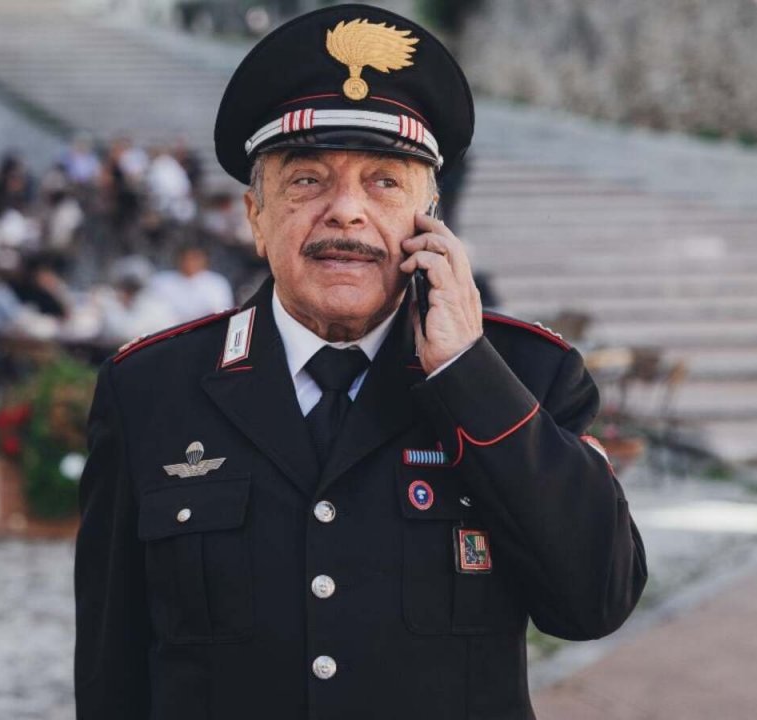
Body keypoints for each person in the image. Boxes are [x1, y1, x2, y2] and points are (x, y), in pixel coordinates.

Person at [73, 6, 647, 720]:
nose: (346, 212)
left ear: (429, 218)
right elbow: (112, 672)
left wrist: (468, 376)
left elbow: (594, 600)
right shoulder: (150, 391)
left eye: (383, 182)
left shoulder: (527, 376)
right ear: (255, 216)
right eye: (307, 180)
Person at [146, 244, 234, 323]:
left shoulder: (217, 282)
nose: (190, 262)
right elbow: (154, 313)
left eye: (195, 258)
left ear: (205, 260)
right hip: (168, 333)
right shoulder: (161, 281)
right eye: (186, 258)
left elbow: (221, 312)